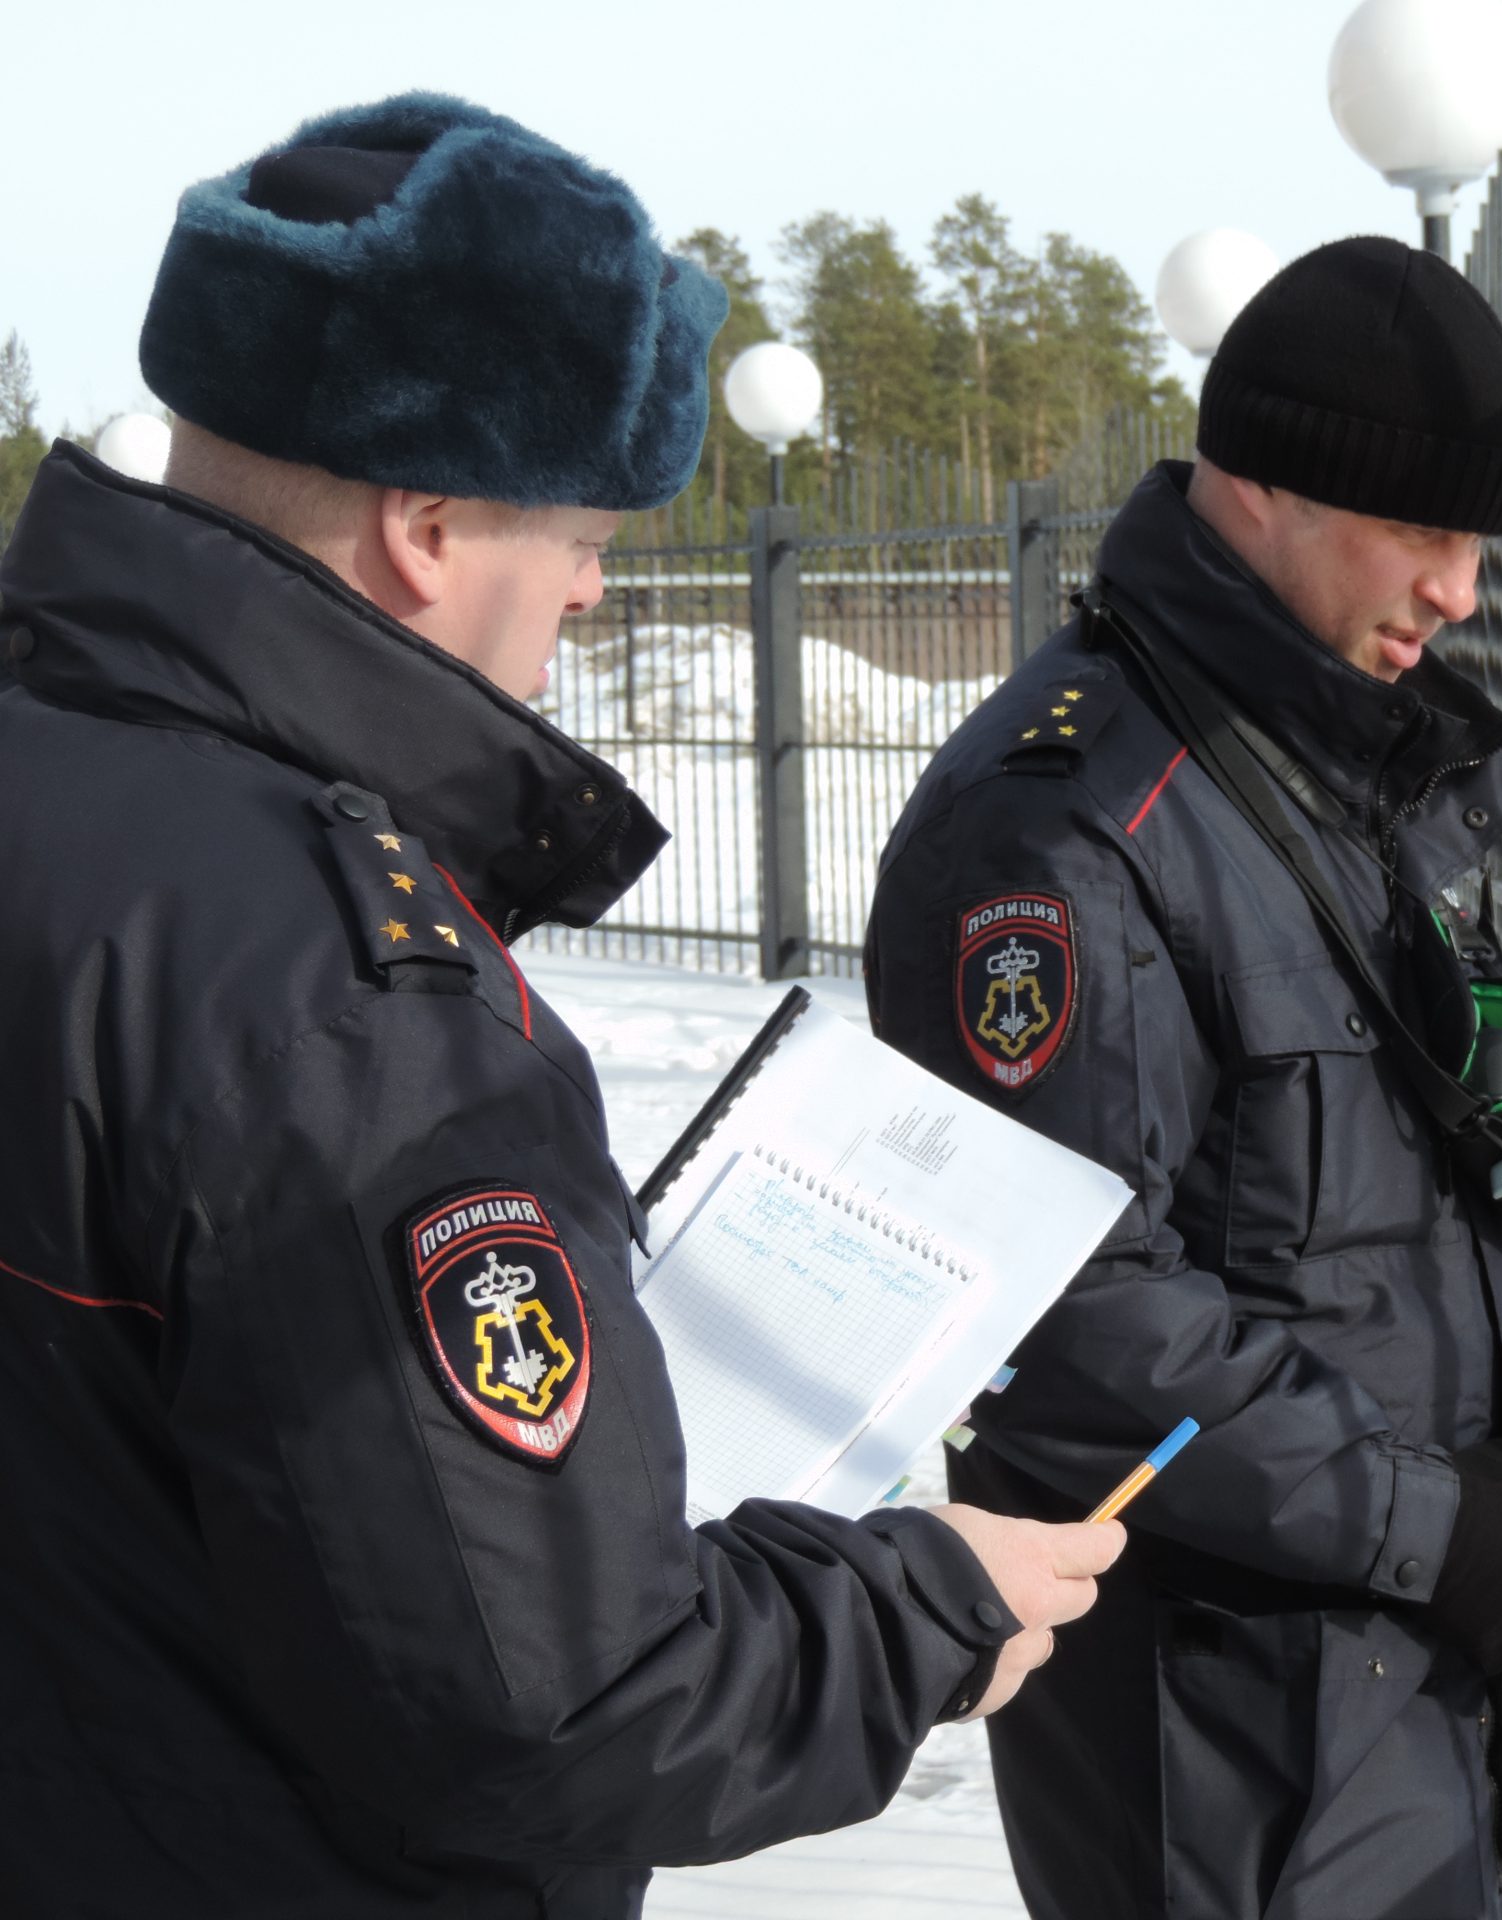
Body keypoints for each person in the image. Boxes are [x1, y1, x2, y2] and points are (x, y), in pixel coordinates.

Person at [0, 94, 1122, 1920]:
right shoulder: (351, 997)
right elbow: (560, 1705)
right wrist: (927, 1603)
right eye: (585, 533)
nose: (597, 591)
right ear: (429, 529)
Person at [863, 236, 1502, 1920]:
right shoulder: (1066, 828)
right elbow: (1059, 1316)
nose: (1462, 592)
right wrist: (1434, 1527)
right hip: (1219, 1714)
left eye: (1479, 542)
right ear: (1259, 488)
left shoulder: (1320, 777)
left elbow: (1353, 1206)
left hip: (1379, 1680)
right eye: (1426, 533)